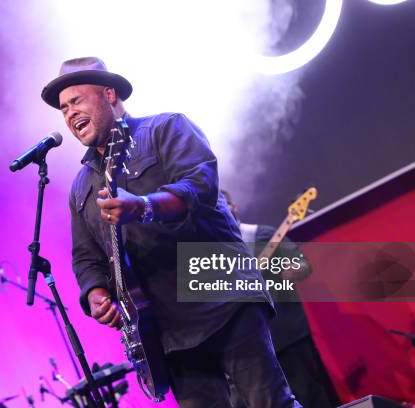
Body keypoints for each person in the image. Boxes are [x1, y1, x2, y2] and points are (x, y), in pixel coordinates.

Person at [41, 56, 301, 407]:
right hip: (165, 330)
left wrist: (144, 206)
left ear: (109, 94)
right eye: (63, 109)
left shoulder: (166, 129)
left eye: (77, 101)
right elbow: (86, 257)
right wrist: (96, 294)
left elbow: (201, 185)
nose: (70, 114)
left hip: (221, 298)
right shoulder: (81, 187)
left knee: (271, 403)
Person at [222, 191, 340, 408]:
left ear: (234, 207)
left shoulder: (264, 235)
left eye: (224, 204)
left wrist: (291, 270)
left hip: (288, 335)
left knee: (311, 394)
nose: (222, 210)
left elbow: (303, 266)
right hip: (252, 347)